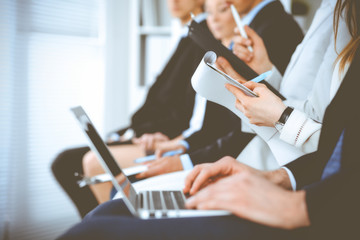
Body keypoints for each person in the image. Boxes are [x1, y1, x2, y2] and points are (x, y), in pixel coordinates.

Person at [56, 2, 360, 236]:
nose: (215, 16)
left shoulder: (311, 21)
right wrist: (278, 177)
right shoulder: (335, 10)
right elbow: (324, 132)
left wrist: (290, 193)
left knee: (95, 228)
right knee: (109, 209)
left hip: (300, 192)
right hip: (287, 173)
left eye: (221, 8)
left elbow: (324, 140)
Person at [51, 0, 206, 217]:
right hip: (147, 132)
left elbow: (190, 110)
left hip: (164, 137)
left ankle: (103, 225)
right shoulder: (184, 37)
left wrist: (162, 137)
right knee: (66, 162)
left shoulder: (201, 39)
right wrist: (126, 133)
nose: (174, 1)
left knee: (72, 164)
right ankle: (96, 225)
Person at [135, 0, 303, 179]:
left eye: (222, 10)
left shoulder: (269, 29)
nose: (214, 19)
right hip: (219, 152)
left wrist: (186, 155)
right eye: (209, 13)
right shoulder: (245, 33)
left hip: (249, 162)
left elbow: (242, 125)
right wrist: (183, 144)